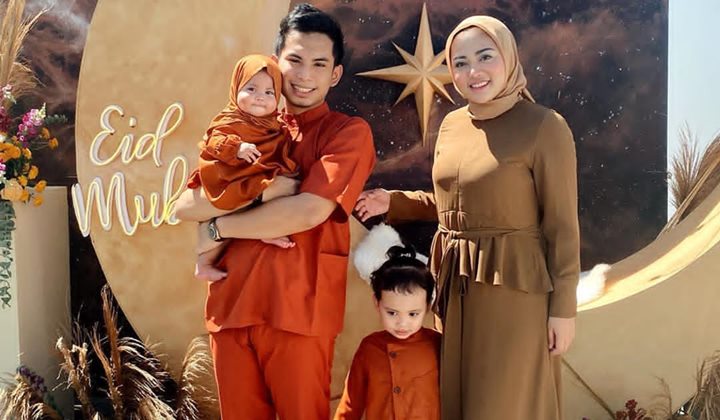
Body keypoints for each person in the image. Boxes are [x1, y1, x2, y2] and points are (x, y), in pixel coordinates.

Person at [355, 15, 580, 420]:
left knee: (504, 404)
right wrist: (396, 202)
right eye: (460, 62)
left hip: (514, 290)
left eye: (485, 56)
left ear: (508, 57)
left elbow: (562, 226)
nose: (473, 71)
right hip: (455, 287)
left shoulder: (545, 127)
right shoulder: (453, 126)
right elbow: (458, 202)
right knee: (459, 401)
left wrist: (563, 310)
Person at [174, 3, 376, 419]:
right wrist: (268, 191)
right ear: (275, 63)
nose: (304, 75)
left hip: (300, 312)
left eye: (319, 64)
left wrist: (219, 228)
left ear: (335, 74)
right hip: (231, 305)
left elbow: (308, 211)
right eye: (295, 60)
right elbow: (186, 204)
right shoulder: (243, 129)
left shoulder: (347, 133)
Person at [185, 54, 298, 282]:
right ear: (236, 87)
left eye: (269, 92)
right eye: (251, 89)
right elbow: (213, 141)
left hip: (252, 178)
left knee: (277, 197)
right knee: (224, 218)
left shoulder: (274, 125)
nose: (260, 97)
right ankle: (204, 263)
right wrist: (236, 147)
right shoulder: (230, 118)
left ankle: (264, 230)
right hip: (228, 177)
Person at [334, 245, 441, 420]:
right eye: (392, 313)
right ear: (377, 303)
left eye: (413, 314)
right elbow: (350, 405)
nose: (402, 323)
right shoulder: (369, 348)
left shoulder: (438, 344)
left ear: (428, 306)